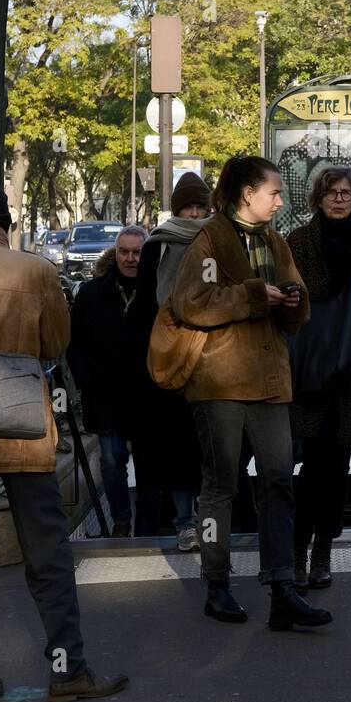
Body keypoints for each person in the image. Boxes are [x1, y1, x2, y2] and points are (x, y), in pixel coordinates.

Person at [0, 173, 127, 702]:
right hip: (22, 429)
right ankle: (67, 670)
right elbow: (55, 344)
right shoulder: (36, 270)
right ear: (6, 223)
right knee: (48, 558)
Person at [171, 154, 332, 632]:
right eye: (274, 193)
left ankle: (282, 590)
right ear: (247, 194)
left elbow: (295, 304)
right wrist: (257, 294)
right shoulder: (210, 240)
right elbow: (192, 303)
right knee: (221, 485)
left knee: (280, 479)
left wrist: (294, 301)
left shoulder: (275, 241)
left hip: (269, 381)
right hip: (219, 381)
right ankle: (216, 585)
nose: (280, 201)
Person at [286, 167, 351, 591]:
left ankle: (323, 552)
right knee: (310, 464)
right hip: (310, 370)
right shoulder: (297, 242)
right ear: (318, 197)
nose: (338, 199)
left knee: (338, 464)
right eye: (331, 192)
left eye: (346, 192)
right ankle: (297, 550)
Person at [132, 173, 211, 552]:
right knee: (181, 448)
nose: (195, 215)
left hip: (213, 357)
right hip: (172, 358)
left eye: (200, 207)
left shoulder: (221, 241)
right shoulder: (157, 246)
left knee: (213, 446)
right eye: (188, 207)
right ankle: (186, 524)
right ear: (177, 209)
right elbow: (145, 303)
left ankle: (213, 521)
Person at [67, 225, 158, 536]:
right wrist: (84, 377)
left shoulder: (159, 291)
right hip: (106, 395)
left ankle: (147, 526)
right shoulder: (92, 293)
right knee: (111, 462)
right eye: (124, 252)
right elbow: (73, 340)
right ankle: (121, 520)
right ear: (115, 253)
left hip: (149, 394)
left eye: (137, 252)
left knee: (150, 467)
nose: (130, 258)